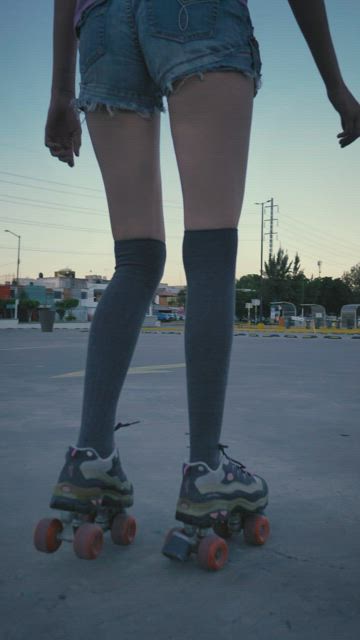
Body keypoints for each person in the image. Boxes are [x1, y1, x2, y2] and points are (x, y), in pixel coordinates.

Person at [45, 1, 359, 535]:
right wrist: (336, 86)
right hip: (195, 13)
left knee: (136, 258)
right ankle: (206, 469)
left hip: (101, 27)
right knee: (211, 248)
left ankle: (90, 458)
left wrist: (58, 94)